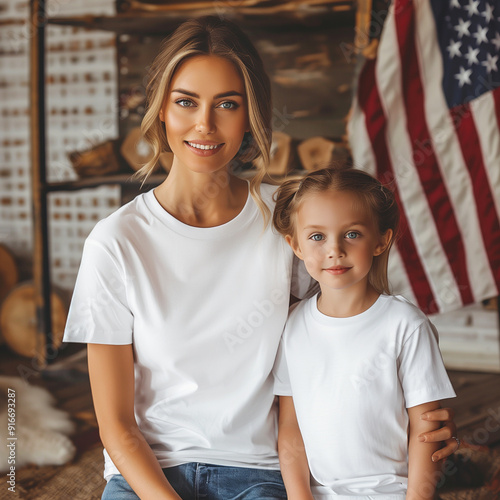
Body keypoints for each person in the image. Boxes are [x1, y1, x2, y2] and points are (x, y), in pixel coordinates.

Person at [63, 16, 459, 500]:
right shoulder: (115, 242)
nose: (205, 125)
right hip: (144, 472)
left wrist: (420, 406)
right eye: (186, 102)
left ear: (251, 112)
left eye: (227, 104)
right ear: (160, 110)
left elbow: (347, 328)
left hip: (255, 472)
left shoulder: (287, 220)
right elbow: (117, 427)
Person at [272, 167, 457, 500]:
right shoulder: (292, 326)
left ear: (381, 240)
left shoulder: (405, 324)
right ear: (295, 245)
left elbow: (426, 429)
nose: (334, 250)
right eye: (317, 236)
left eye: (352, 234)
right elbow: (290, 428)